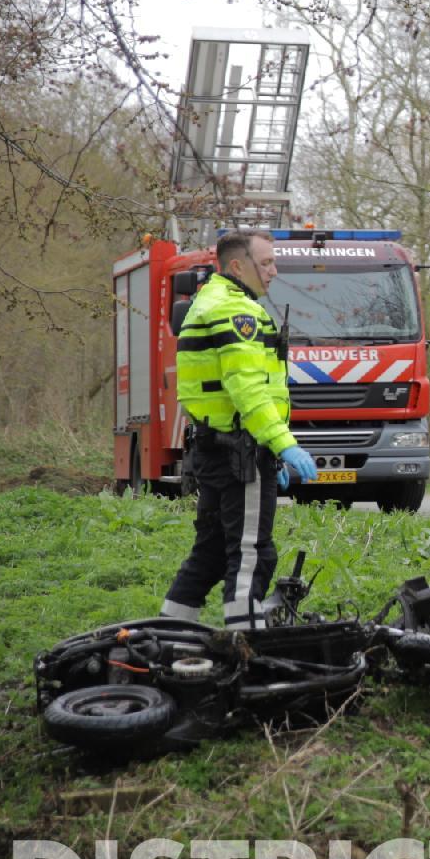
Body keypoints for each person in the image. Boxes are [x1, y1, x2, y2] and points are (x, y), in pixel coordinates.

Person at [160, 229, 320, 630]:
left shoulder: (209, 300)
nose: (274, 271)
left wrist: (271, 445)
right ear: (237, 265)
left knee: (211, 552)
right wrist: (283, 445)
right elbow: (247, 390)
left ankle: (171, 635)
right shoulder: (237, 312)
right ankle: (245, 645)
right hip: (240, 456)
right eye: (265, 263)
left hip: (217, 449)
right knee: (252, 553)